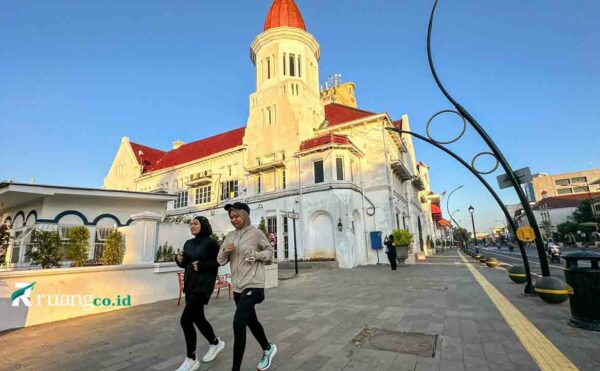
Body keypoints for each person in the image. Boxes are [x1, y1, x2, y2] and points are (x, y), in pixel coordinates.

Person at [217, 202, 277, 371]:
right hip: (238, 287)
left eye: (237, 216)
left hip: (254, 284)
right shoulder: (229, 236)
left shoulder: (256, 234)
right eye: (231, 217)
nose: (234, 220)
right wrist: (224, 251)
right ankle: (267, 348)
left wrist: (257, 255)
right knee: (252, 322)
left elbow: (270, 253)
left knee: (238, 323)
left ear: (245, 215)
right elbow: (220, 261)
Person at [175, 216, 225, 371]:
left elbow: (219, 261)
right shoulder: (189, 243)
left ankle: (191, 358)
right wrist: (179, 259)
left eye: (195, 223)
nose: (192, 226)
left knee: (185, 320)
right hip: (190, 285)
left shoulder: (211, 243)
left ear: (203, 225)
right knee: (198, 318)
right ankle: (215, 343)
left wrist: (202, 265)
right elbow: (185, 264)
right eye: (191, 224)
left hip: (203, 286)